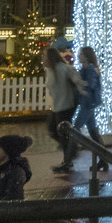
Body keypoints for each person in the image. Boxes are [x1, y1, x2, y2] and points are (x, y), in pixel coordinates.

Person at [44, 45, 86, 173]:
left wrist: (84, 89)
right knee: (53, 129)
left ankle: (68, 159)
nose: (43, 58)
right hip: (57, 106)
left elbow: (76, 79)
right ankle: (71, 151)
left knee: (61, 133)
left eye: (44, 56)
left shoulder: (63, 69)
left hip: (66, 105)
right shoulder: (50, 70)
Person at [72, 46, 109, 172]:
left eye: (81, 54)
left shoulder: (90, 69)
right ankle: (104, 161)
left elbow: (91, 84)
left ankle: (69, 157)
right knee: (94, 133)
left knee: (76, 128)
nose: (78, 56)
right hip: (86, 103)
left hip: (87, 103)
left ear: (86, 56)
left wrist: (80, 83)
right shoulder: (85, 68)